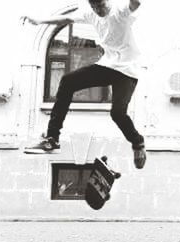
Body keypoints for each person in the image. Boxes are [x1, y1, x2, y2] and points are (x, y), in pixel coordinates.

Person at [21, 0, 146, 169]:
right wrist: (40, 20)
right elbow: (65, 20)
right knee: (67, 81)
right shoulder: (90, 13)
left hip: (127, 72)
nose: (99, 11)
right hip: (108, 66)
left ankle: (137, 143)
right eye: (95, 7)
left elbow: (135, 3)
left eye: (101, 6)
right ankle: (52, 139)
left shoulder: (119, 11)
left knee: (117, 113)